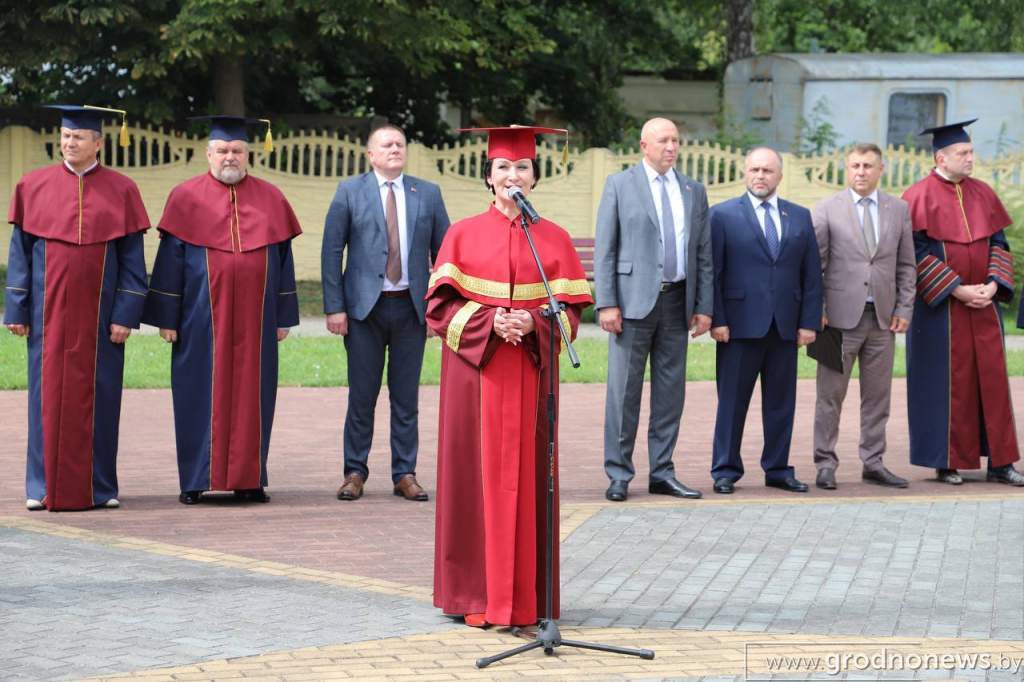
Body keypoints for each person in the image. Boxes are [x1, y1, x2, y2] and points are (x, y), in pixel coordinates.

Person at [428, 126, 592, 628]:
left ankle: (526, 597)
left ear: (534, 177)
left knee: (528, 479)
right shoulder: (462, 234)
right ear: (488, 176)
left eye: (522, 168)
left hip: (529, 377)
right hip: (475, 378)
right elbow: (438, 308)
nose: (512, 176)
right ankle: (473, 594)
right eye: (503, 168)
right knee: (472, 479)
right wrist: (490, 322)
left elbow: (569, 312)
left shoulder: (553, 239)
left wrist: (536, 321)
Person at [143, 115, 302, 505]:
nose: (230, 157)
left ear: (248, 154)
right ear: (208, 154)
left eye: (237, 151)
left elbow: (283, 262)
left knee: (255, 392)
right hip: (199, 317)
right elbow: (170, 262)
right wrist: (166, 319)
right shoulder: (185, 197)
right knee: (197, 391)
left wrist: (283, 317)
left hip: (257, 317)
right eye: (223, 151)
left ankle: (249, 478)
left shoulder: (272, 198)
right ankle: (196, 479)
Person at [4, 105, 148, 512]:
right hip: (46, 317)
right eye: (65, 137)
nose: (69, 143)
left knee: (101, 397)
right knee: (44, 397)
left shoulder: (122, 190)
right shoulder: (33, 186)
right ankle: (41, 485)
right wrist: (16, 307)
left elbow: (134, 263)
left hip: (101, 319)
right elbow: (20, 255)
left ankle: (100, 486)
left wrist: (126, 314)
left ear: (98, 142)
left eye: (78, 137)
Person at [322, 124, 450, 502]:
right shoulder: (349, 192)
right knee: (362, 395)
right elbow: (332, 252)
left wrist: (438, 309)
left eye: (400, 144)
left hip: (411, 310)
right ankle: (355, 471)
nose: (394, 149)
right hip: (364, 311)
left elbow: (444, 255)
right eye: (386, 144)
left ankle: (404, 473)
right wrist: (335, 308)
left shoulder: (427, 193)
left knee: (406, 396)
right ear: (370, 154)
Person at [593, 117, 712, 502]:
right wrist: (607, 302)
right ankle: (619, 473)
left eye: (676, 140)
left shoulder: (693, 190)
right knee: (623, 393)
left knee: (670, 392)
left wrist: (703, 306)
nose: (671, 147)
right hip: (631, 304)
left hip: (677, 302)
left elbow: (703, 254)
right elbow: (606, 248)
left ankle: (662, 471)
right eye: (663, 140)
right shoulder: (620, 185)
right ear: (644, 145)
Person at [903, 119, 1024, 486]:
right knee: (945, 384)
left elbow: (1000, 244)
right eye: (963, 153)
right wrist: (956, 288)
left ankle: (1001, 462)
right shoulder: (917, 196)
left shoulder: (983, 192)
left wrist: (992, 284)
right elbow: (915, 253)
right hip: (941, 309)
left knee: (992, 383)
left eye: (971, 152)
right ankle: (947, 460)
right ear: (942, 157)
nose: (970, 158)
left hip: (984, 306)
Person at [709, 147, 823, 494]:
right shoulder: (722, 215)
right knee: (732, 402)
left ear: (780, 176)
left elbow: (811, 274)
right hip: (738, 327)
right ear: (745, 172)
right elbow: (713, 272)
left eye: (768, 171)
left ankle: (777, 468)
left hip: (785, 326)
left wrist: (809, 322)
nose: (761, 176)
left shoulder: (800, 216)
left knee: (781, 402)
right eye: (755, 170)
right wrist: (717, 318)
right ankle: (725, 469)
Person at [811, 143, 916, 490]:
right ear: (847, 168)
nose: (861, 171)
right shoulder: (827, 209)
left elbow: (906, 265)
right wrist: (818, 312)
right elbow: (815, 268)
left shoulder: (898, 209)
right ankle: (825, 463)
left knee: (877, 398)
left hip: (883, 320)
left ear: (880, 170)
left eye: (868, 166)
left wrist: (904, 308)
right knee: (830, 396)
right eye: (855, 165)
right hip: (836, 323)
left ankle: (873, 462)